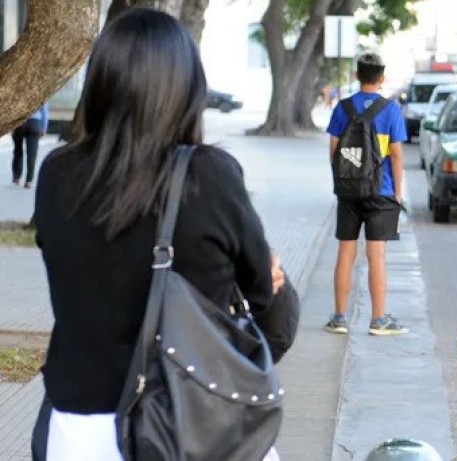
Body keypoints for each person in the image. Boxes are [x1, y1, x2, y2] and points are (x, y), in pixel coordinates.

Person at [30, 8, 288, 460]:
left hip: (79, 428)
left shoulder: (57, 173)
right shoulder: (210, 176)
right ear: (187, 89)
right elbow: (264, 300)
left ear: (101, 82)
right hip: (189, 425)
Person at [324, 53, 408, 336]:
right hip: (380, 191)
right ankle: (378, 319)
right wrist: (397, 192)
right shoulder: (390, 110)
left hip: (349, 191)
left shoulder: (343, 108)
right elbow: (396, 155)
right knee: (376, 255)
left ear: (357, 76)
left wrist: (343, 182)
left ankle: (339, 318)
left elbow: (334, 151)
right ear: (382, 78)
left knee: (345, 252)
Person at [11, 103, 49, 188]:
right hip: (35, 123)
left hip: (20, 122)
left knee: (18, 150)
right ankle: (29, 180)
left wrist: (11, 126)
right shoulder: (40, 96)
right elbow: (45, 112)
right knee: (32, 153)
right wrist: (44, 128)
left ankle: (16, 177)